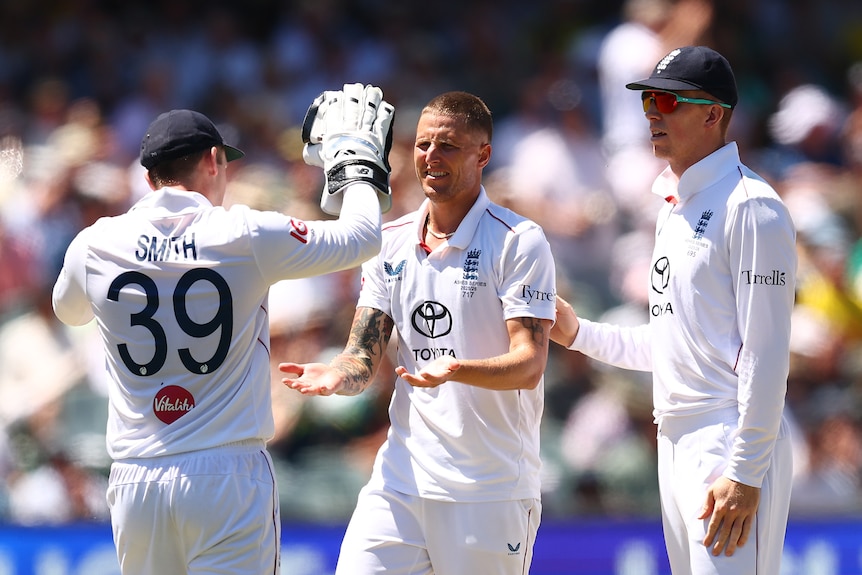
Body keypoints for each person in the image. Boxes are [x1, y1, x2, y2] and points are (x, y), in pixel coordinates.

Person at [51, 83, 394, 575]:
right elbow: (362, 237)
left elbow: (68, 312)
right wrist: (356, 161)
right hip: (226, 473)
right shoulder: (245, 233)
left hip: (136, 479)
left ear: (150, 180)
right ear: (214, 160)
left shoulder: (95, 243)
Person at [279, 91, 557, 574]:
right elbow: (362, 357)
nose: (431, 156)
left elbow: (529, 364)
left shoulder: (519, 241)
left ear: (483, 155)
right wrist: (335, 376)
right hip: (402, 478)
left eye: (448, 146)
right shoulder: (391, 240)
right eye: (423, 144)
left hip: (488, 489)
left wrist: (456, 371)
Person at [551, 46, 797, 575]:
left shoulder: (752, 207)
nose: (652, 115)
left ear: (713, 115)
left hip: (727, 441)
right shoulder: (674, 207)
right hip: (675, 437)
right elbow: (670, 345)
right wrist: (577, 332)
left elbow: (768, 352)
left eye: (666, 101)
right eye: (646, 103)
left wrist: (746, 472)